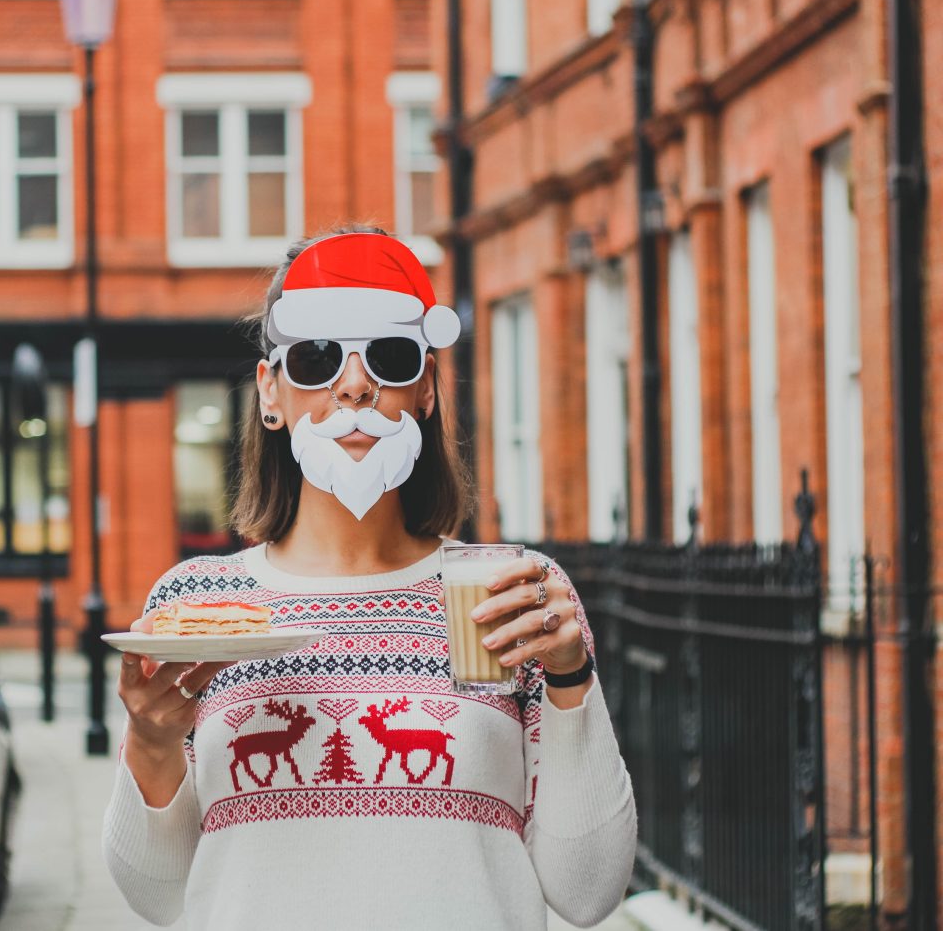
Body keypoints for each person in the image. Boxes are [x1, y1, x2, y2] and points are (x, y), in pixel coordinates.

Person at [103, 226, 637, 929]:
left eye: (388, 357)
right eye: (318, 360)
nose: (355, 385)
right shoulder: (201, 606)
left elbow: (588, 889)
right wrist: (149, 740)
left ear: (425, 391)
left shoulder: (511, 596)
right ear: (271, 393)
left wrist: (570, 677)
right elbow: (159, 895)